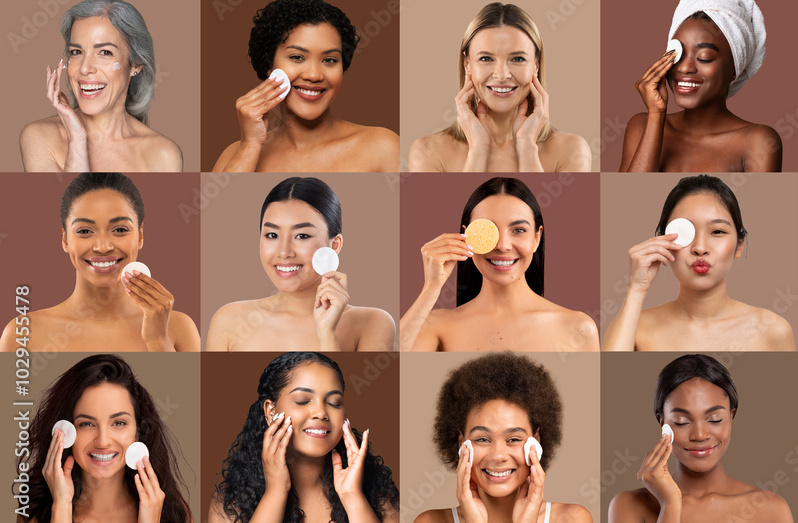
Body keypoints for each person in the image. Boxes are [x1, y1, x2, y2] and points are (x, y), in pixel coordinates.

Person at [0, 173, 200, 352]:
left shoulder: (178, 327)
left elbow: (179, 393)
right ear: (65, 240)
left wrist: (158, 340)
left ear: (140, 236)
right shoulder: (22, 334)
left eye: (120, 230)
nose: (103, 247)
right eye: (85, 231)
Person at [400, 177, 599, 352]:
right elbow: (391, 372)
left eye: (519, 230)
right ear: (466, 236)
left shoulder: (578, 328)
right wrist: (431, 288)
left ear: (537, 238)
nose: (502, 246)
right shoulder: (436, 325)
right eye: (488, 231)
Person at [209, 351, 399, 523]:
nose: (321, 413)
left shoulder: (378, 493)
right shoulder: (232, 504)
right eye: (302, 400)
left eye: (334, 402)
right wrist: (275, 491)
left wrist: (353, 497)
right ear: (270, 411)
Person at [603, 174, 795, 351]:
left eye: (717, 231)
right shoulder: (635, 327)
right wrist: (636, 289)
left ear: (739, 244)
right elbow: (607, 381)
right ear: (662, 242)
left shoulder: (772, 330)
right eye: (686, 233)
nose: (700, 248)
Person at [609, 354, 794, 523]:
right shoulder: (629, 505)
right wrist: (670, 504)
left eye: (714, 419)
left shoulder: (772, 509)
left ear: (731, 416)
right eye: (682, 422)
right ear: (663, 423)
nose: (699, 435)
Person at [206, 177, 395, 351]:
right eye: (272, 235)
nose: (284, 252)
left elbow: (341, 387)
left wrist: (327, 333)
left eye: (302, 236)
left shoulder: (373, 323)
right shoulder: (229, 320)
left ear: (334, 245)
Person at [414, 352, 592, 523]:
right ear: (462, 444)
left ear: (536, 442)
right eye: (483, 439)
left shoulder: (573, 521)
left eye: (513, 439)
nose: (498, 456)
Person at [212, 0, 398, 172]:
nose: (314, 75)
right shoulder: (234, 154)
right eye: (297, 57)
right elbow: (222, 208)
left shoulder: (383, 148)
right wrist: (250, 145)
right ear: (269, 65)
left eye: (329, 60)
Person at [16, 354, 193, 523]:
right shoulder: (34, 514)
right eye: (86, 424)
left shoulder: (174, 515)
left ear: (138, 432)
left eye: (118, 423)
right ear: (65, 432)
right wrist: (61, 506)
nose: (103, 441)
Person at [407, 3, 591, 172]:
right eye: (486, 58)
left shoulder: (572, 150)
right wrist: (479, 149)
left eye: (517, 59)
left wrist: (527, 147)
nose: (502, 75)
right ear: (467, 64)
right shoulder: (427, 153)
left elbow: (542, 207)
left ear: (535, 65)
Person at [20, 0, 182, 172]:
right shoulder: (39, 136)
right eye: (76, 52)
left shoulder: (164, 154)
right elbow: (66, 199)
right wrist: (77, 140)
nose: (84, 68)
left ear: (135, 65)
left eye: (105, 52)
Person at [619, 0, 779, 172]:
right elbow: (624, 198)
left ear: (734, 68)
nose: (684, 67)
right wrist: (656, 116)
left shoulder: (758, 141)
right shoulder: (642, 125)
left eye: (704, 57)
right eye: (677, 54)